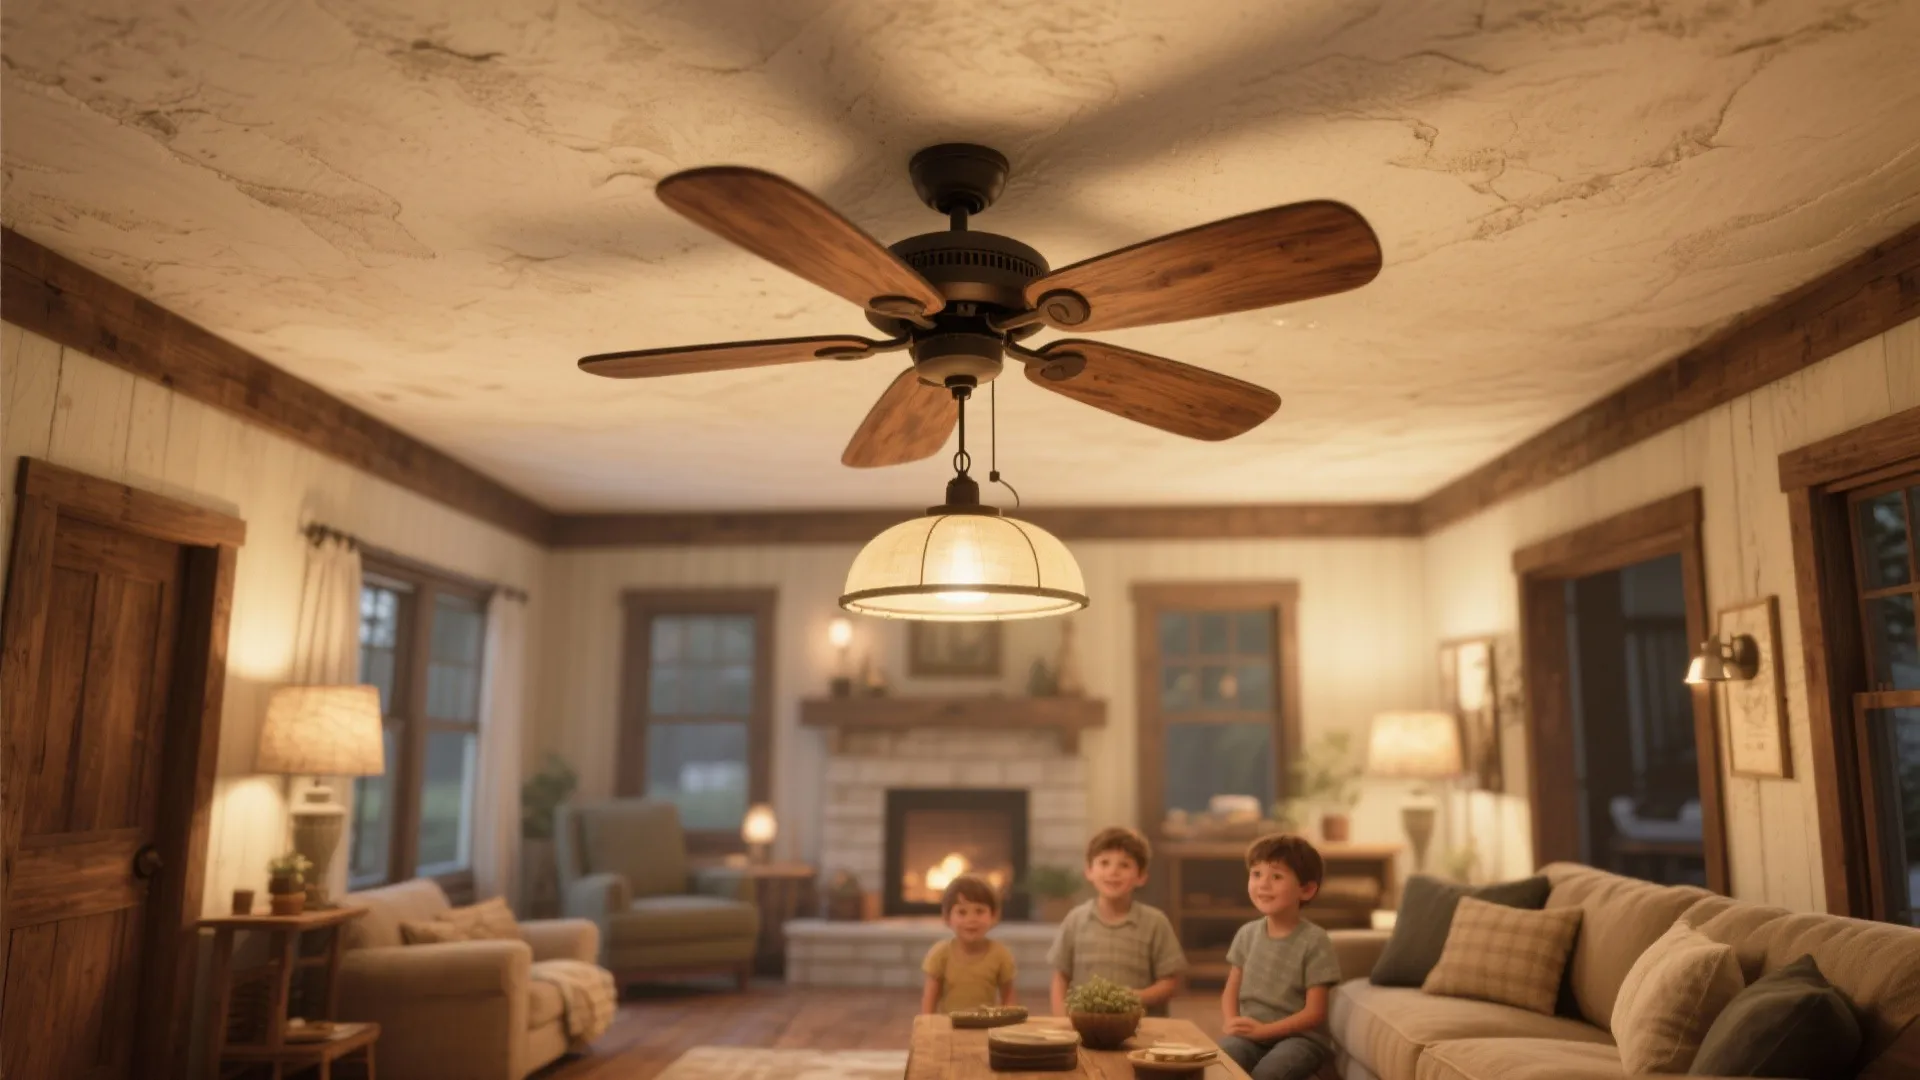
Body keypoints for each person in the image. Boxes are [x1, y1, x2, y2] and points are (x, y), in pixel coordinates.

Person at [1219, 833, 1343, 1080]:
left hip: (1301, 1040)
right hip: (1251, 1035)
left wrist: (1265, 1031)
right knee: (1220, 1062)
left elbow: (1314, 1013)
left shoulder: (1315, 940)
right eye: (1256, 874)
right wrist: (1232, 1021)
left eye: (1276, 876)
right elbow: (1231, 989)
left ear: (1306, 890)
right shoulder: (1247, 933)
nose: (1263, 884)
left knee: (1268, 1073)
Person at [1047, 826, 1186, 1016]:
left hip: (1142, 1025)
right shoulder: (1075, 920)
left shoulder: (1156, 922)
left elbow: (1171, 982)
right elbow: (1060, 977)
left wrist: (1135, 997)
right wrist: (1060, 1019)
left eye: (1125, 865)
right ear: (1089, 871)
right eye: (1104, 863)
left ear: (1141, 876)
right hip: (1085, 1024)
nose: (1113, 871)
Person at [920, 874, 1016, 1014]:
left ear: (994, 916)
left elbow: (1009, 998)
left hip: (986, 1027)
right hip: (949, 1028)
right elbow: (929, 1001)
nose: (971, 919)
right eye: (962, 912)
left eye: (979, 911)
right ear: (947, 917)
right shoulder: (940, 954)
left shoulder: (1001, 955)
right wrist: (927, 1029)